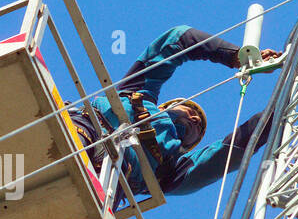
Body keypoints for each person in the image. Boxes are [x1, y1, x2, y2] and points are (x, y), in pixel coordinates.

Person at [69, 25, 282, 199]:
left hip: (108, 184)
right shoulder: (137, 92)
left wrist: (283, 103)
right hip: (83, 132)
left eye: (198, 128)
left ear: (189, 146)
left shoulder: (172, 171)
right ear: (163, 108)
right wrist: (234, 56)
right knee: (68, 149)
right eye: (188, 109)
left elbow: (232, 149)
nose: (195, 118)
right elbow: (178, 39)